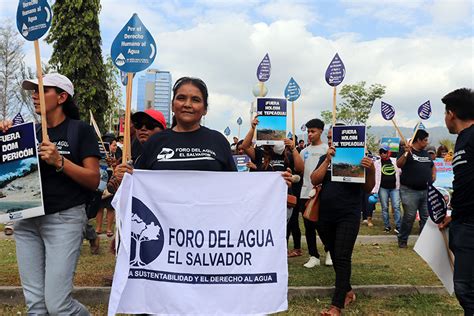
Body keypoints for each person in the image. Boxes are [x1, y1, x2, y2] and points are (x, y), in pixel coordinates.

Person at [0, 73, 100, 315]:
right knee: (36, 306)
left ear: (62, 97)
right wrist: (6, 137)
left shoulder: (81, 130)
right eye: (33, 90)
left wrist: (60, 161)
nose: (34, 95)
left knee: (58, 306)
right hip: (26, 220)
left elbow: (93, 179)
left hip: (63, 220)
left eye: (42, 90)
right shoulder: (27, 133)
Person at [311, 125, 375, 315]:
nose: (331, 141)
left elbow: (368, 189)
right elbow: (314, 179)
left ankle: (336, 305)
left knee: (342, 256)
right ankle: (347, 290)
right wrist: (328, 161)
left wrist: (369, 170)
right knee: (335, 252)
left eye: (334, 138)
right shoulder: (326, 158)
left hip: (348, 215)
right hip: (325, 216)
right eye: (329, 138)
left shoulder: (361, 160)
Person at [438, 88, 474, 315]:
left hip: (471, 225)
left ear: (451, 113)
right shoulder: (462, 139)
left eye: (445, 114)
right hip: (462, 220)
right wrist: (454, 213)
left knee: (465, 288)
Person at [296, 119, 331, 267]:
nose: (310, 134)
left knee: (323, 225)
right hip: (305, 193)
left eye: (313, 131)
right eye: (308, 131)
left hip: (321, 194)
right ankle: (313, 256)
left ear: (321, 132)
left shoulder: (327, 149)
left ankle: (329, 251)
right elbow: (300, 171)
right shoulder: (304, 151)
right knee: (308, 226)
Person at [396, 129, 436, 248]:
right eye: (425, 140)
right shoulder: (406, 151)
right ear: (418, 140)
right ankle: (402, 240)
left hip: (425, 190)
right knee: (409, 217)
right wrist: (405, 153)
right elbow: (399, 164)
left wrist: (434, 174)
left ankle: (423, 241)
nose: (427, 142)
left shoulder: (425, 153)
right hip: (409, 191)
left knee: (426, 217)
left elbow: (432, 165)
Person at [373, 145, 401, 233]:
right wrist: (374, 190)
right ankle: (387, 226)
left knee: (396, 206)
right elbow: (374, 176)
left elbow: (400, 171)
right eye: (381, 152)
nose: (382, 154)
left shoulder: (395, 161)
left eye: (384, 152)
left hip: (394, 188)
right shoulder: (376, 163)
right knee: (384, 207)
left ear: (388, 152)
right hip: (383, 188)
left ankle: (398, 226)